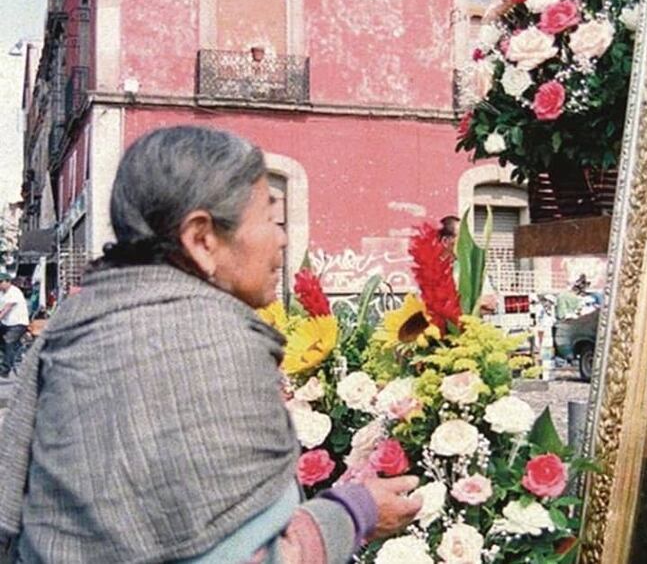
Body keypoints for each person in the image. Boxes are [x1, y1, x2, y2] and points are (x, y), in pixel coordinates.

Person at [0, 127, 421, 563]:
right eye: (269, 218)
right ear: (202, 238)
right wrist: (356, 511)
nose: (281, 238)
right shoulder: (212, 347)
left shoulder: (75, 324)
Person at [0, 272, 30, 377]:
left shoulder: (14, 292)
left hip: (18, 323)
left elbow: (6, 309)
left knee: (9, 341)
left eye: (1, 282)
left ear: (8, 282)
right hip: (6, 324)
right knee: (5, 342)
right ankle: (7, 356)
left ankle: (5, 370)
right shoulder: (2, 293)